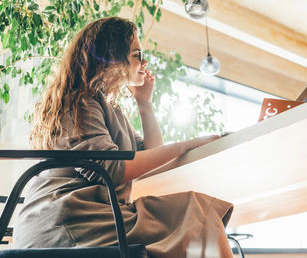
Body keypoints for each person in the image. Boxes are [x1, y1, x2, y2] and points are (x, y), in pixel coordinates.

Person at [13, 17, 234, 258]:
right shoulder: (80, 101)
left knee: (194, 214)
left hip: (93, 215)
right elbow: (111, 169)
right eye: (137, 54)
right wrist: (187, 145)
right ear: (113, 57)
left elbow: (150, 156)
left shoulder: (109, 107)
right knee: (196, 211)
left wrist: (145, 104)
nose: (144, 61)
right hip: (66, 221)